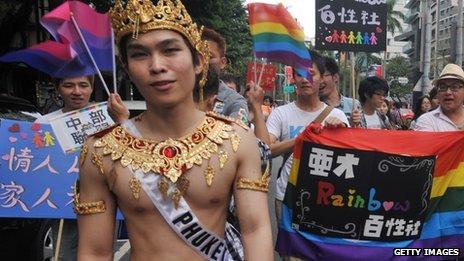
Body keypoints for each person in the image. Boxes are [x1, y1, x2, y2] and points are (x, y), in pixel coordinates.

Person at [76, 1, 273, 260]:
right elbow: (94, 251)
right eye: (139, 54)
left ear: (199, 61)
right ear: (127, 69)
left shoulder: (237, 140)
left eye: (170, 50)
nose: (157, 65)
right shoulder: (100, 150)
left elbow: (255, 231)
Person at [35, 75, 128, 261]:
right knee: (64, 254)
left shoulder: (110, 117)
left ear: (92, 88)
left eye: (83, 85)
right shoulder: (43, 125)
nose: (77, 91)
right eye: (69, 85)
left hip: (104, 202)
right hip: (63, 203)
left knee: (101, 253)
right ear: (58, 88)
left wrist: (123, 123)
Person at [265, 51, 348, 233]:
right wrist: (301, 139)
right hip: (287, 195)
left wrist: (342, 133)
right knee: (291, 254)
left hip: (325, 198)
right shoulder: (280, 113)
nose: (305, 79)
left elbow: (351, 158)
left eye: (311, 73)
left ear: (321, 79)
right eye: (299, 74)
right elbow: (266, 149)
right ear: (293, 78)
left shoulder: (337, 116)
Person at [202, 27, 249, 122]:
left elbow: (238, 132)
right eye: (196, 56)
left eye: (209, 56)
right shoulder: (175, 93)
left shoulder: (235, 102)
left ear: (223, 62)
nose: (202, 62)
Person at [415, 63, 464, 131]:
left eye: (454, 87)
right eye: (443, 87)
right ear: (437, 93)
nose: (448, 92)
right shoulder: (426, 120)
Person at [319, 56, 361, 120]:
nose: (319, 81)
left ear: (335, 77)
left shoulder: (353, 105)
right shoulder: (314, 108)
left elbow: (364, 129)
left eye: (322, 76)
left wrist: (354, 125)